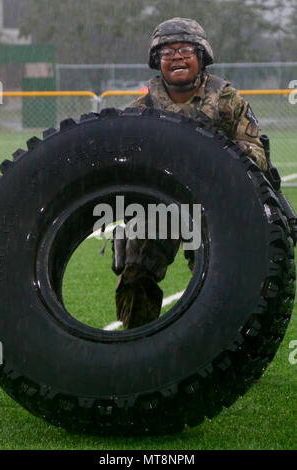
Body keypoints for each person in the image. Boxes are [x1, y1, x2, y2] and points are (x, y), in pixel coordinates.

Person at [112, 17, 267, 330]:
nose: (177, 57)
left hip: (217, 204)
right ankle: (136, 343)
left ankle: (221, 345)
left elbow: (258, 156)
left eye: (184, 50)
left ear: (201, 55)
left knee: (218, 275)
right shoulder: (142, 108)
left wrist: (231, 156)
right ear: (158, 62)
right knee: (136, 264)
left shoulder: (226, 101)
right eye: (167, 53)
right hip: (161, 203)